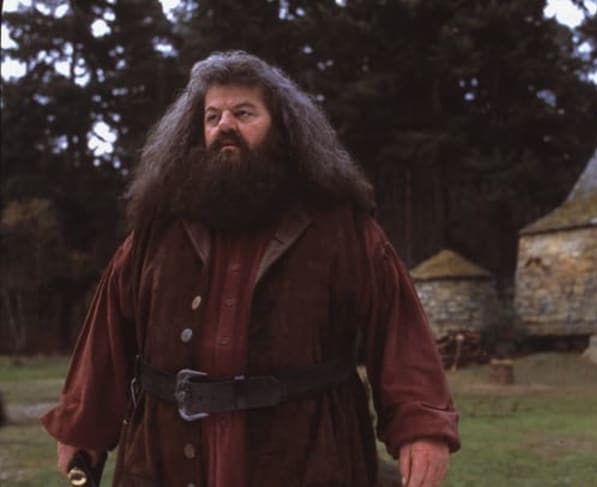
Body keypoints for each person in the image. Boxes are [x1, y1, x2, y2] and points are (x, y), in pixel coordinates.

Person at [42, 50, 460, 487]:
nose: (225, 125)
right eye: (212, 117)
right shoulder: (158, 230)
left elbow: (398, 329)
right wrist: (82, 426)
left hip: (309, 455)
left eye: (243, 113)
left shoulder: (342, 228)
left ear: (282, 127)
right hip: (167, 458)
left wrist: (422, 426)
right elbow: (107, 335)